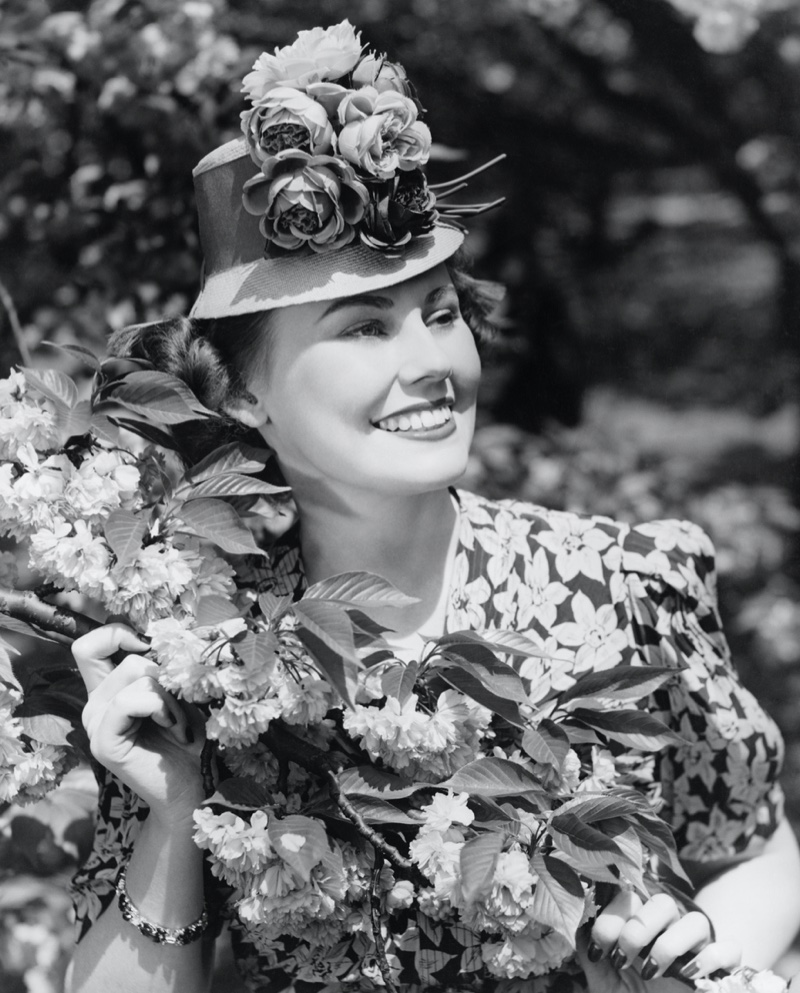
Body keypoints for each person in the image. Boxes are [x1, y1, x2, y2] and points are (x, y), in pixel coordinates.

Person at [65, 20, 800, 993]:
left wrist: (701, 954)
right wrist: (171, 805)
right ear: (245, 396)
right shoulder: (202, 655)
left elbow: (756, 849)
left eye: (442, 313)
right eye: (364, 328)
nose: (431, 365)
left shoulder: (614, 586)